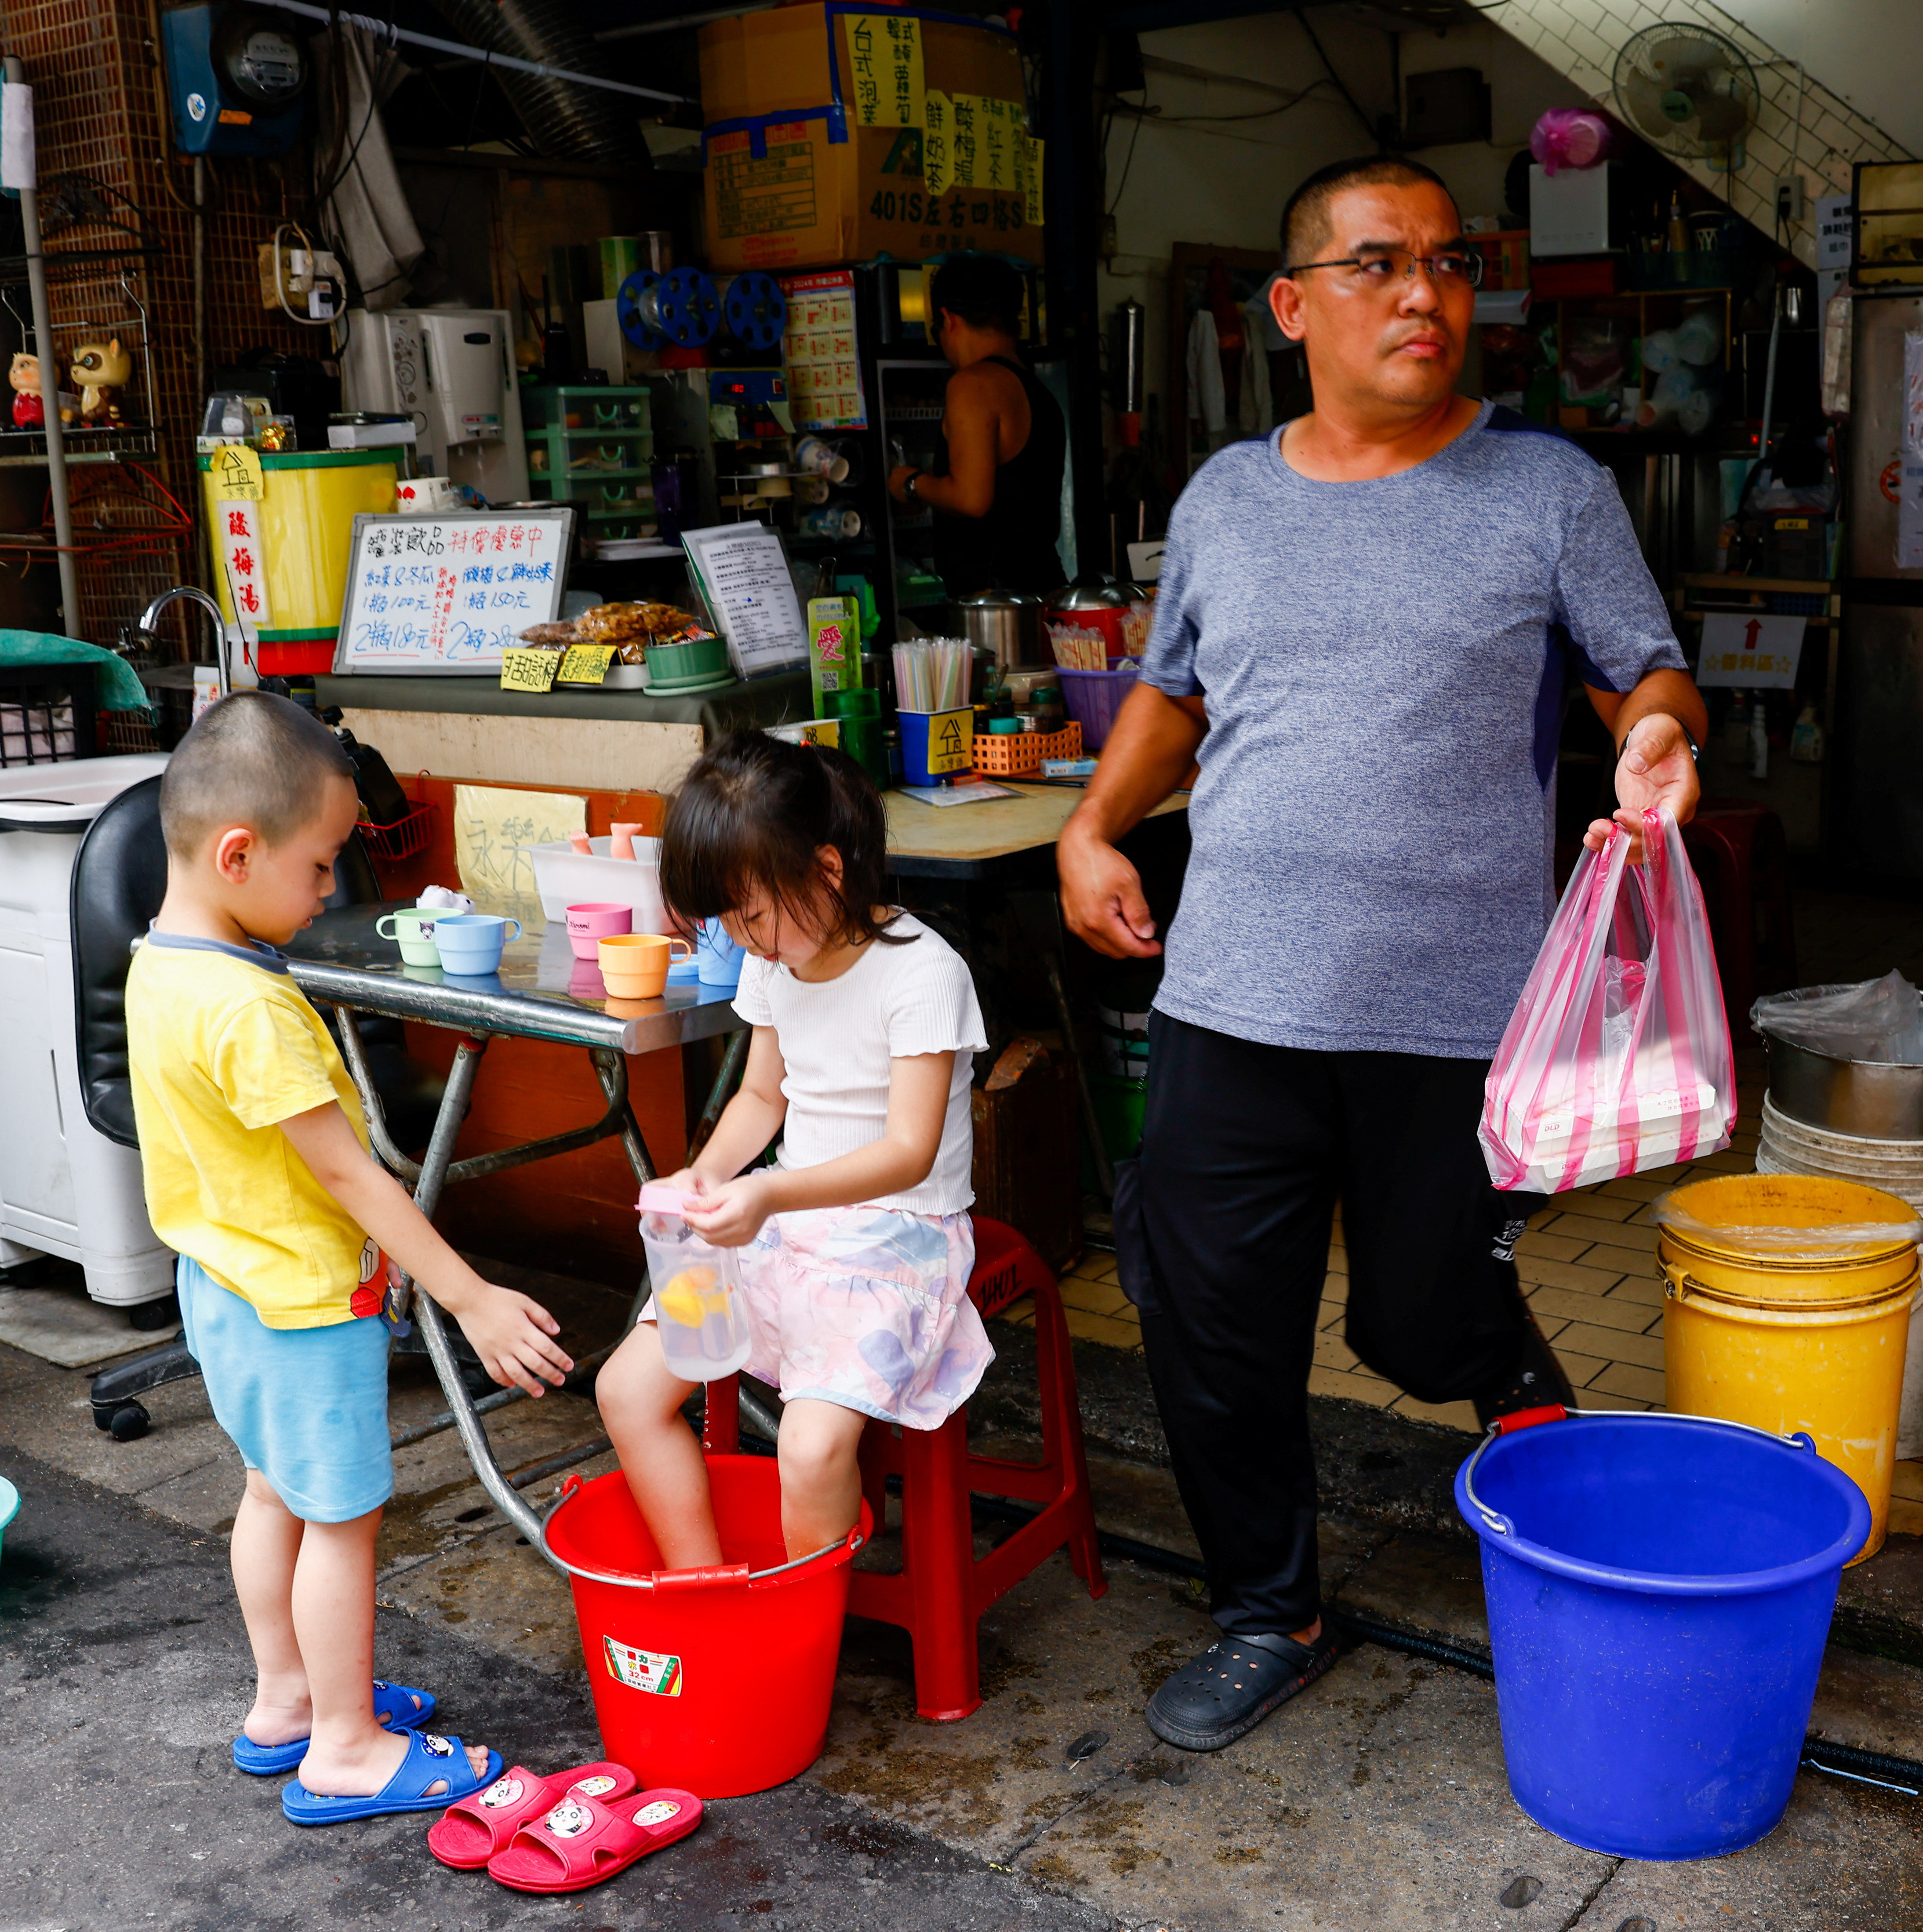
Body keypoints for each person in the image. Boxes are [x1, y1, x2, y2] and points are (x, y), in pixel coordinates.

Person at [1056, 154, 1707, 1753]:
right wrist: (1092, 827)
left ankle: (1558, 1460)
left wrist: (1662, 739)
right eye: (1377, 264)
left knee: (1422, 1323)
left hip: (1453, 1013)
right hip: (1232, 994)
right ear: (1294, 307)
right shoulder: (1224, 495)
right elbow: (1174, 690)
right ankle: (1268, 1607)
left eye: (1447, 262)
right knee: (1214, 1324)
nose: (1424, 294)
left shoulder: (1546, 488)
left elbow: (1646, 670)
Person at [128, 692, 573, 1821]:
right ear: (239, 852)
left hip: (221, 1288)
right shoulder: (248, 1007)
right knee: (343, 1516)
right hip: (300, 1304)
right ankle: (345, 1742)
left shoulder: (159, 967)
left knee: (272, 1489)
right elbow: (350, 1175)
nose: (329, 890)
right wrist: (467, 1295)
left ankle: (286, 1699)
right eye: (322, 865)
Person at [595, 735, 994, 1567]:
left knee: (809, 1449)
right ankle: (708, 1588)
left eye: (752, 912)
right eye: (726, 921)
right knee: (626, 1389)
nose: (744, 938)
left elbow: (909, 1152)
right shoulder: (774, 961)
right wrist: (707, 1176)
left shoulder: (925, 973)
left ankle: (808, 1627)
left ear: (828, 868)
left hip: (900, 1232)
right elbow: (761, 1098)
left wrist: (769, 1195)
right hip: (794, 1221)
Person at [885, 254, 1066, 596]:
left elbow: (971, 499)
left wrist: (910, 482)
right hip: (1045, 590)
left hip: (996, 605)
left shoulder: (972, 384)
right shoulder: (1039, 391)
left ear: (948, 320)